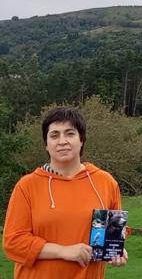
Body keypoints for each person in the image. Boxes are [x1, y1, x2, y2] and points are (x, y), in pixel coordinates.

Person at [3, 107, 128, 279]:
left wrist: (116, 251)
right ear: (46, 144)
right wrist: (63, 251)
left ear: (81, 139)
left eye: (70, 134)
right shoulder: (27, 186)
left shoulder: (105, 182)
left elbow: (113, 232)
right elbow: (13, 243)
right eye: (54, 135)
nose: (62, 141)